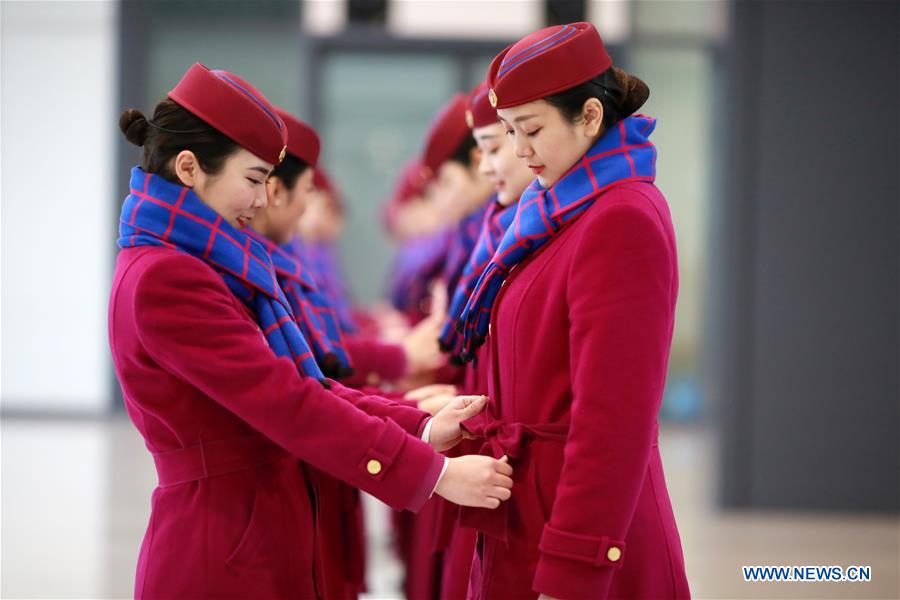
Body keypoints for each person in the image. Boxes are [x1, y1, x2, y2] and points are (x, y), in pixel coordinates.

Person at [109, 63, 513, 599]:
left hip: (257, 526)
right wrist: (433, 474)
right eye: (253, 180)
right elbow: (284, 400)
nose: (262, 200)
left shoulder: (206, 261)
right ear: (189, 167)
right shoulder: (169, 276)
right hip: (222, 547)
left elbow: (304, 385)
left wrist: (417, 427)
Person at [454, 23, 691, 599]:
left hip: (578, 529)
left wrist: (575, 570)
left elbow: (615, 418)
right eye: (508, 132)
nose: (518, 151)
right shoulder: (557, 210)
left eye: (530, 130)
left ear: (589, 116)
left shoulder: (620, 218)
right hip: (529, 511)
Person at [435, 79, 537, 600]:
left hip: (524, 466)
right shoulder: (508, 228)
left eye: (493, 148)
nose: (489, 166)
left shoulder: (533, 228)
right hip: (486, 442)